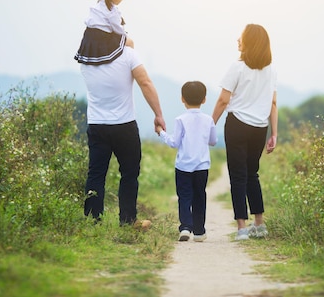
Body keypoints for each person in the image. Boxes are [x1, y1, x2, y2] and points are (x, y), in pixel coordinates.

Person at [80, 35, 166, 227]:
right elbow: (145, 83)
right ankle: (128, 220)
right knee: (129, 173)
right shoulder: (128, 55)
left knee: (96, 174)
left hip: (97, 124)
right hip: (124, 125)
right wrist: (158, 114)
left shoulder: (86, 57)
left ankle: (92, 221)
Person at [211, 24, 277, 241]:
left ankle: (242, 228)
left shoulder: (237, 67)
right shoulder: (271, 70)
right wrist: (273, 134)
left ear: (249, 42)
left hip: (238, 124)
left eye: (241, 37)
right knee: (252, 174)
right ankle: (259, 223)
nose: (237, 40)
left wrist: (211, 124)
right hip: (260, 127)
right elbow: (273, 103)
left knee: (238, 176)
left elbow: (223, 100)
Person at [156, 81, 218, 242]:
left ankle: (185, 227)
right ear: (204, 99)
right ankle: (199, 231)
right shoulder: (208, 120)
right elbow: (213, 141)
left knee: (184, 197)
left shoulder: (180, 120)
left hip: (183, 166)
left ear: (182, 99)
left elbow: (174, 143)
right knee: (200, 196)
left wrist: (161, 132)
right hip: (202, 166)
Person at [74, 0, 134, 66]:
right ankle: (131, 64)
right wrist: (125, 35)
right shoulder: (112, 11)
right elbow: (117, 29)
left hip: (88, 38)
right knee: (130, 42)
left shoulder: (97, 6)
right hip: (102, 38)